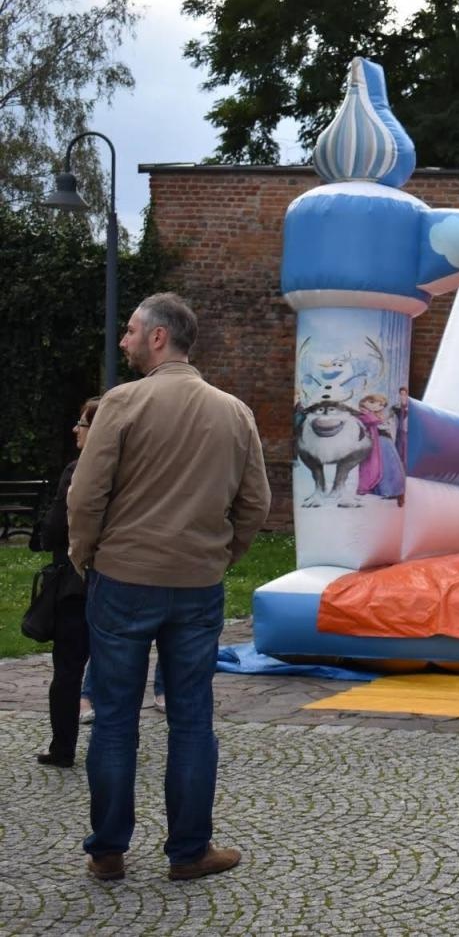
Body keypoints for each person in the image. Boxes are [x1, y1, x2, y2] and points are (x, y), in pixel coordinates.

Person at [67, 293, 271, 882]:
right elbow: (255, 504)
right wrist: (222, 555)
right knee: (190, 719)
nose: (124, 341)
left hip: (123, 578)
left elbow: (86, 497)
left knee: (113, 718)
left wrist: (87, 557)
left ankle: (107, 849)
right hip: (198, 582)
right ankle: (189, 851)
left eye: (131, 331)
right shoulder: (235, 413)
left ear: (159, 338)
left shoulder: (121, 404)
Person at [34, 397, 98, 767]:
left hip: (76, 582)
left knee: (68, 669)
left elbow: (54, 529)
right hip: (121, 580)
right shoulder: (133, 471)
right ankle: (122, 742)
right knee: (117, 667)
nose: (75, 429)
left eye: (82, 423)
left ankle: (63, 747)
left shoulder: (79, 470)